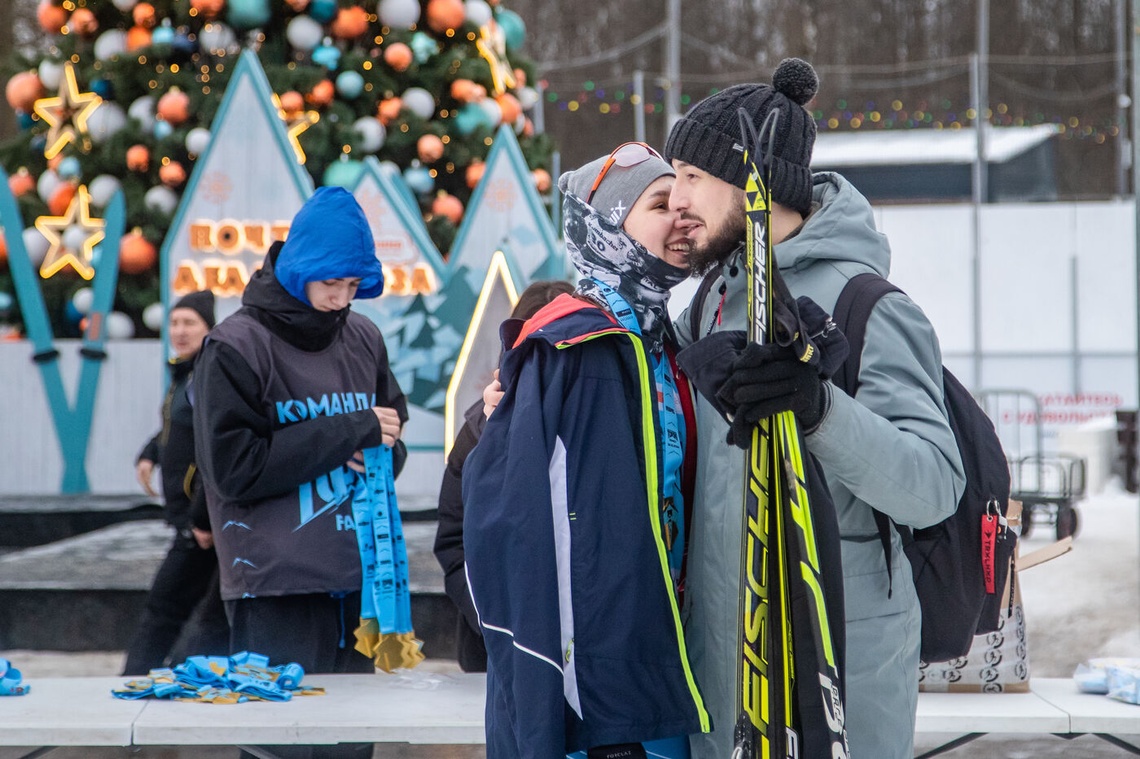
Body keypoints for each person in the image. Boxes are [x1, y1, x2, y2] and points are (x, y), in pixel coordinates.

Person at [664, 58, 966, 759]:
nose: (676, 197)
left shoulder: (869, 307)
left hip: (838, 679)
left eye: (694, 178)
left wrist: (818, 407)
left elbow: (932, 486)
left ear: (756, 186)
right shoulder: (709, 300)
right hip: (724, 679)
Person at [462, 143, 710, 758]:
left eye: (685, 202)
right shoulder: (575, 346)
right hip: (599, 697)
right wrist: (579, 702)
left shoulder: (665, 345)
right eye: (660, 204)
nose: (683, 217)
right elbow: (532, 536)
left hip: (661, 662)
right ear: (607, 225)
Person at [192, 186, 407, 759]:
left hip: (360, 586)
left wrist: (380, 450)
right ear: (298, 272)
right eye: (330, 284)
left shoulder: (364, 337)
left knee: (349, 748)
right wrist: (347, 435)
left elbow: (389, 431)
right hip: (274, 588)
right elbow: (233, 470)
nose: (340, 300)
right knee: (278, 751)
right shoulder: (235, 346)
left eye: (353, 286)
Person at [433, 279, 574, 674]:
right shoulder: (479, 430)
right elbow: (452, 542)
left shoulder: (599, 424)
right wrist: (496, 623)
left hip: (582, 650)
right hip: (496, 651)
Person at [123, 290, 229, 676]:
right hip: (192, 519)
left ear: (209, 328)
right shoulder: (185, 372)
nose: (180, 331)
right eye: (175, 323)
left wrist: (202, 517)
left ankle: (141, 681)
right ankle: (153, 680)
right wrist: (151, 451)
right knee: (190, 610)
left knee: (171, 607)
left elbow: (214, 447)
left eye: (190, 323)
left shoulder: (208, 375)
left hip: (200, 520)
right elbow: (177, 426)